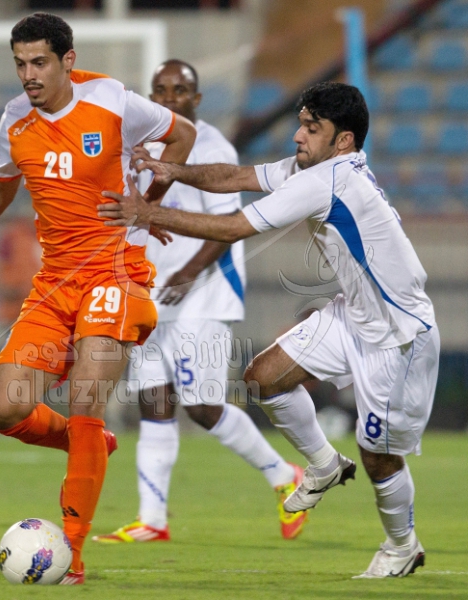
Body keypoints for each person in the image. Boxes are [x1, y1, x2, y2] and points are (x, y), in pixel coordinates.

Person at [98, 81, 440, 579]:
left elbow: (235, 227)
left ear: (343, 140)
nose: (299, 135)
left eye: (312, 128)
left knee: (379, 458)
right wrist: (173, 170)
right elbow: (236, 176)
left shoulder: (329, 180)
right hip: (354, 315)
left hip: (399, 335)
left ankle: (402, 546)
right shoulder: (312, 169)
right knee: (263, 378)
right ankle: (323, 464)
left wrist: (147, 212)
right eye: (301, 124)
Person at [0, 13, 196, 585]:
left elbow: (181, 134)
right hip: (55, 283)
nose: (29, 75)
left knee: (86, 397)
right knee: (5, 408)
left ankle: (73, 553)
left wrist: (150, 203)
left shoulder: (111, 100)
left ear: (67, 60)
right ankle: (92, 445)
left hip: (116, 274)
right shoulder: (15, 119)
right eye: (20, 64)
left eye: (39, 62)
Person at [92, 60, 308, 545]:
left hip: (204, 295)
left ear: (196, 98)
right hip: (149, 293)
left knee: (202, 406)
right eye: (160, 90)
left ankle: (284, 475)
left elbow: (230, 227)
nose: (169, 97)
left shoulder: (212, 147)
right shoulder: (139, 146)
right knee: (153, 401)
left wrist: (189, 273)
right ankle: (152, 520)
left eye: (179, 89)